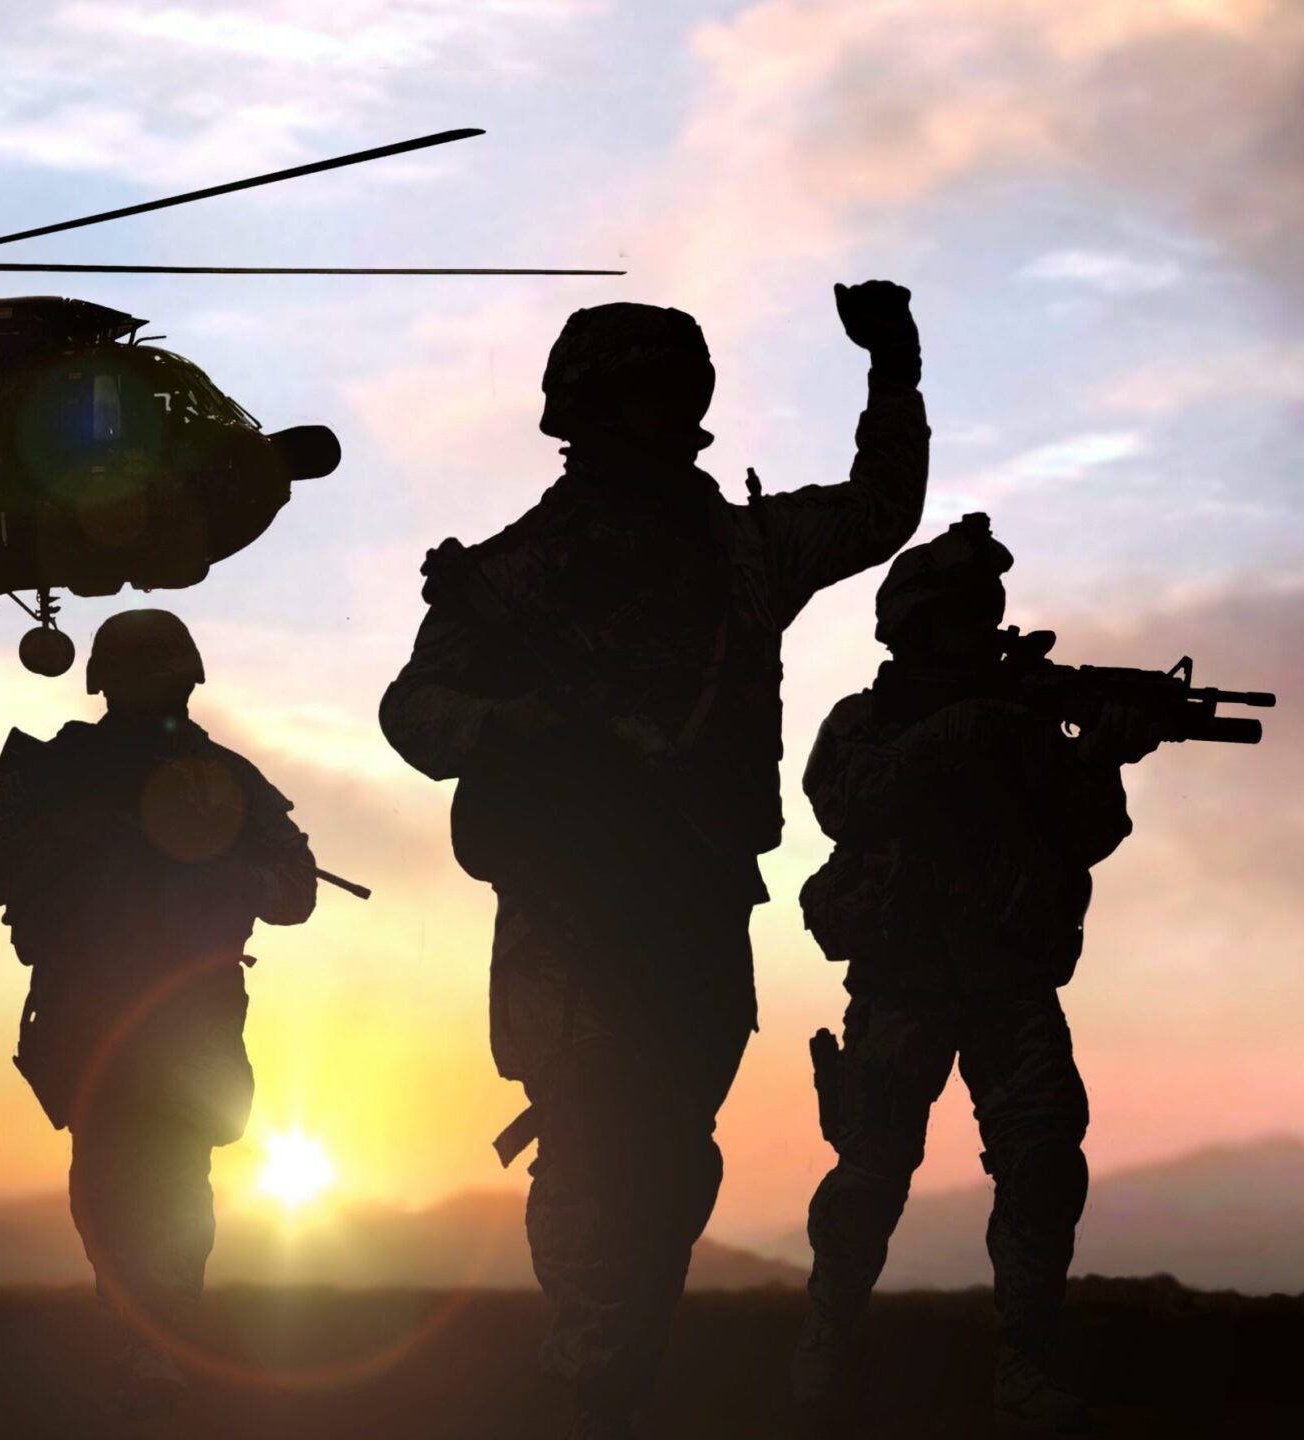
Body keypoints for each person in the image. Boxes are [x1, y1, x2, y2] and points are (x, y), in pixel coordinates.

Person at [377, 283, 930, 1436]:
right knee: (586, 1143)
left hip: (694, 901)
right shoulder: (515, 572)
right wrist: (518, 725)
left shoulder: (741, 548)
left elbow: (882, 508)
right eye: (651, 399)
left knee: (671, 1158)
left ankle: (616, 1365)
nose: (672, 419)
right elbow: (413, 711)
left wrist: (893, 370)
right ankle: (587, 1371)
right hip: (571, 910)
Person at [790, 514, 1159, 1434]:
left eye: (981, 614)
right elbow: (846, 806)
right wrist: (961, 731)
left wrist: (1100, 758)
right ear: (912, 629)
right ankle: (823, 1353)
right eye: (953, 618)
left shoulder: (1021, 723)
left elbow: (1086, 835)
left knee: (1040, 1166)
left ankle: (1025, 1368)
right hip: (902, 983)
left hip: (1009, 985)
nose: (974, 631)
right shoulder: (863, 725)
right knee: (868, 1178)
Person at [0, 607, 318, 1407]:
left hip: (189, 1008)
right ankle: (139, 1327)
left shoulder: (227, 781)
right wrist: (68, 836)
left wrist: (227, 867)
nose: (155, 696)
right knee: (112, 1180)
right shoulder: (52, 776)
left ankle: (157, 1335)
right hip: (93, 1002)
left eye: (161, 679)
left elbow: (296, 893)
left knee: (172, 1172)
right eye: (139, 679)